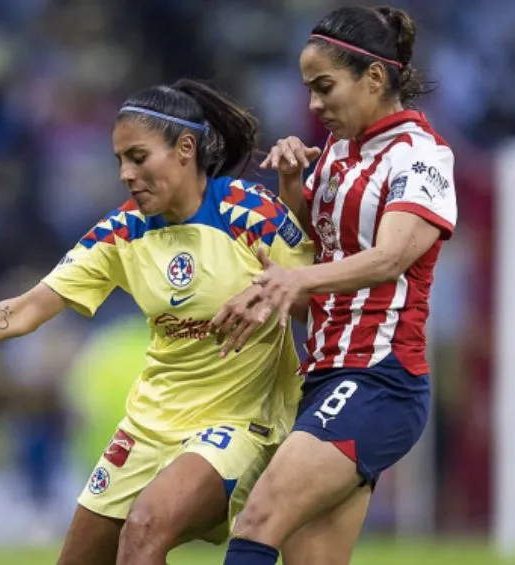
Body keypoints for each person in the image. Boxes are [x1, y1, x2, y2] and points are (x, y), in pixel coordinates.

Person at [0, 78, 315, 565]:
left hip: (238, 422)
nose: (126, 174)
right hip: (150, 424)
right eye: (119, 161)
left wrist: (270, 292)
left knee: (145, 529)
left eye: (138, 156)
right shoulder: (122, 231)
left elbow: (317, 294)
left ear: (185, 149)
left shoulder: (247, 209)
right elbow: (28, 308)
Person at [209, 6, 455, 565]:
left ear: (373, 78)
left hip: (380, 379)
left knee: (258, 518)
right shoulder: (339, 154)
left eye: (325, 87)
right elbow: (320, 246)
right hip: (324, 374)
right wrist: (294, 184)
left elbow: (390, 257)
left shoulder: (421, 156)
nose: (314, 105)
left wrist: (290, 281)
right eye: (308, 90)